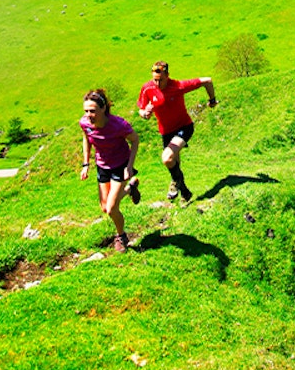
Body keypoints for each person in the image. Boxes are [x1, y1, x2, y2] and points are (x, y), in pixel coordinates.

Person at [137, 60, 216, 202]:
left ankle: (176, 183)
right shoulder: (147, 89)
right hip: (166, 132)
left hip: (184, 127)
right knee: (173, 162)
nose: (157, 84)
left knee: (167, 158)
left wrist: (212, 99)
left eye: (160, 80)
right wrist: (145, 114)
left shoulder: (178, 86)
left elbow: (207, 80)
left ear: (168, 75)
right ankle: (185, 192)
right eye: (154, 79)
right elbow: (141, 110)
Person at [78, 89, 139, 252]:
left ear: (103, 108)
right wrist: (86, 164)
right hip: (102, 166)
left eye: (92, 111)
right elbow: (86, 139)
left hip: (120, 165)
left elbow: (135, 140)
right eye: (86, 111)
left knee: (112, 208)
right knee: (105, 208)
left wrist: (129, 166)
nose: (88, 115)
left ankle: (121, 236)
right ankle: (130, 189)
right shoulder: (84, 123)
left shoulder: (118, 125)